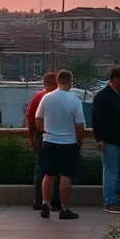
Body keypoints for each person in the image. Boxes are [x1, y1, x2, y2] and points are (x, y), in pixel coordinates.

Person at [34, 70, 85, 221]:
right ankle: (64, 208)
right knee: (65, 176)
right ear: (71, 81)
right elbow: (79, 124)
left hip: (49, 141)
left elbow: (38, 117)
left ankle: (45, 204)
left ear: (57, 81)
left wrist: (44, 130)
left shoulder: (47, 97)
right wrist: (79, 139)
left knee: (48, 174)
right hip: (68, 143)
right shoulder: (74, 100)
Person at [92, 67, 120, 214]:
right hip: (109, 140)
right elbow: (96, 118)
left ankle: (115, 192)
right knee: (111, 171)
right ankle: (110, 201)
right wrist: (99, 138)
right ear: (115, 79)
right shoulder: (102, 96)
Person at [25, 73, 61, 212]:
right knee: (56, 170)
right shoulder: (57, 98)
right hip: (56, 136)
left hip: (41, 137)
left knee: (41, 169)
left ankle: (38, 201)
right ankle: (55, 201)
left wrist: (31, 139)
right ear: (56, 82)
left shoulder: (38, 97)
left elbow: (30, 119)